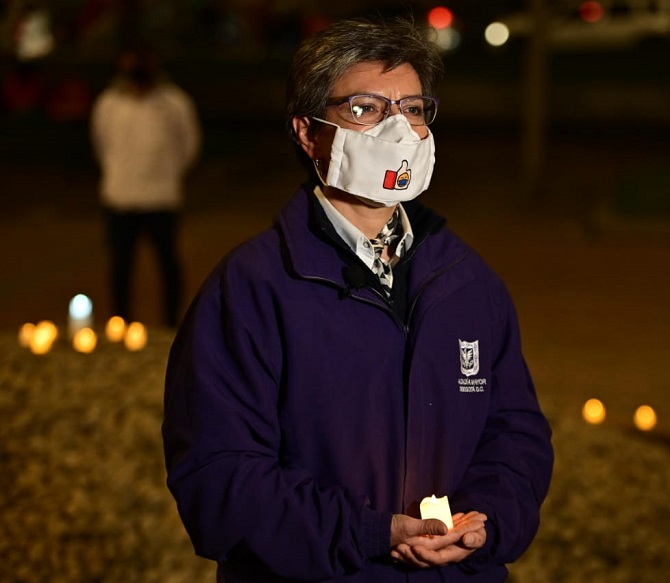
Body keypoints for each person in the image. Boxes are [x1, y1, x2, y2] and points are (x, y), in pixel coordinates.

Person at [162, 17, 553, 583]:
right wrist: (369, 534)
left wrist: (487, 523)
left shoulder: (467, 283)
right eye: (366, 109)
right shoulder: (251, 290)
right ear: (307, 132)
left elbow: (516, 434)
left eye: (414, 109)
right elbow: (218, 478)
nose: (398, 130)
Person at [91, 47, 200, 327]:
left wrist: (168, 175)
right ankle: (120, 321)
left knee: (167, 262)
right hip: (120, 197)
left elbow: (189, 145)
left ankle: (170, 322)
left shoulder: (175, 103)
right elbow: (102, 144)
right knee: (121, 264)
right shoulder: (108, 104)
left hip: (161, 197)